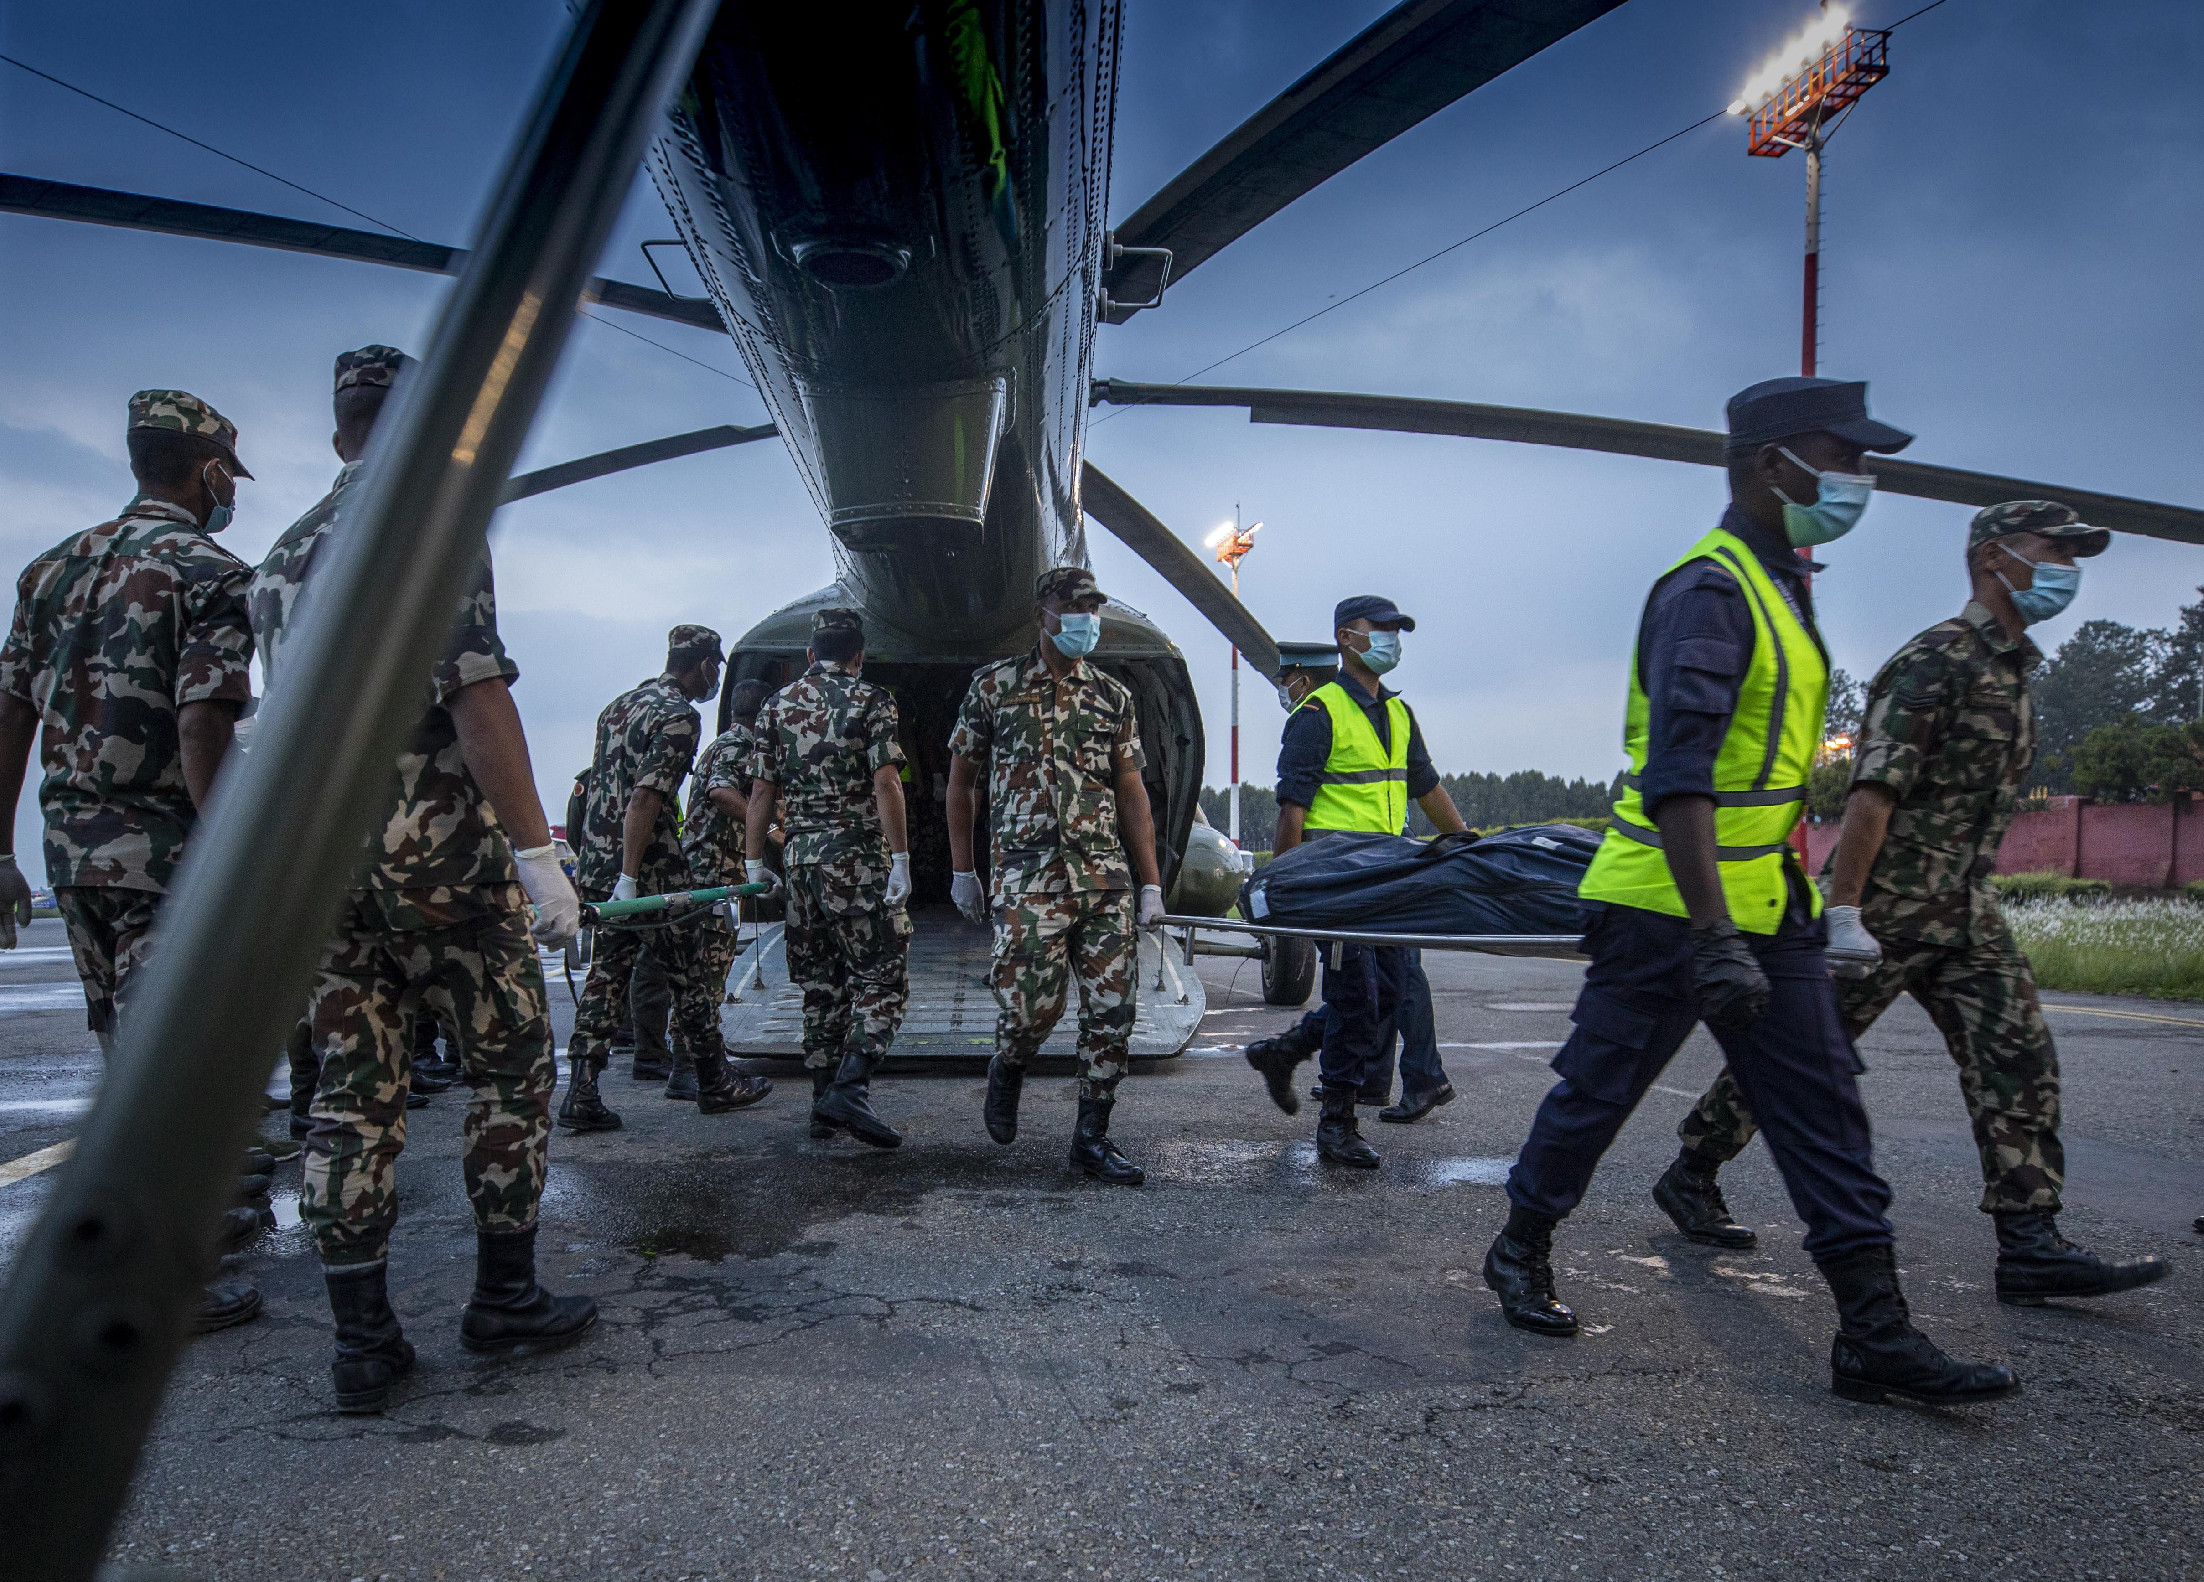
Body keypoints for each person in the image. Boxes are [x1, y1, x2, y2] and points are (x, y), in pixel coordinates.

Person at [1484, 375, 2018, 1409]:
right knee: (1598, 1092)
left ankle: (1872, 1330)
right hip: (1662, 908)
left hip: (1764, 908)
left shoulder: (1779, 579)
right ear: (1773, 463)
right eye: (1844, 456)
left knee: (1821, 1107)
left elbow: (1758, 783)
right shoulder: (1709, 589)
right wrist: (1711, 933)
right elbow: (1677, 772)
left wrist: (1782, 910)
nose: (1859, 479)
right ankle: (1519, 1243)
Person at [1661, 500, 2170, 1305]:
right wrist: (1847, 913)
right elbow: (1873, 792)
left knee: (2019, 1061)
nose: (2066, 569)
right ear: (1994, 557)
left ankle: (2029, 1239)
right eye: (2053, 550)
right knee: (1801, 1065)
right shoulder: (1937, 659)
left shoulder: (2015, 668)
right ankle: (1692, 1169)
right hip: (1888, 911)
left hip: (1965, 912)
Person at [252, 345, 593, 1412]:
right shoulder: (431, 520)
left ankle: (363, 1344)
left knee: (350, 1105)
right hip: (440, 864)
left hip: (326, 872)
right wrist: (537, 855)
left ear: (339, 427)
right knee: (509, 1069)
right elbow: (476, 697)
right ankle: (504, 1299)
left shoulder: (281, 552)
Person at [0, 388, 263, 1332]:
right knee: (179, 1057)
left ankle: (171, 1227)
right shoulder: (210, 571)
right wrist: (238, 851)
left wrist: (3, 848)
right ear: (209, 470)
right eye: (228, 474)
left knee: (126, 1050)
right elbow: (203, 724)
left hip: (73, 852)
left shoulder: (49, 570)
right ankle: (149, 1285)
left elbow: (13, 715)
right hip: (167, 853)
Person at [946, 567, 1166, 1185]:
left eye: (1093, 608)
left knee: (1112, 1010)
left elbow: (1131, 792)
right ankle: (1009, 1065)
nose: (1085, 619)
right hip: (1030, 875)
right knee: (1031, 1009)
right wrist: (963, 869)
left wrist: (1148, 882)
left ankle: (1091, 1138)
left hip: (1104, 878)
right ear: (1042, 610)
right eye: (1073, 606)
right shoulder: (994, 687)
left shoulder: (1112, 697)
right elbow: (961, 785)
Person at [1243, 598, 1467, 1168]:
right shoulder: (1319, 713)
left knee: (1388, 995)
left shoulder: (1398, 714)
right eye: (1382, 630)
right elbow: (1291, 809)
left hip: (1389, 881)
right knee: (1358, 998)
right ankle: (1336, 1122)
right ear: (1347, 638)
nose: (1392, 639)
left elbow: (1426, 786)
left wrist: (1467, 842)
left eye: (1398, 631)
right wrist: (1283, 887)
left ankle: (1285, 1050)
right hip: (1336, 883)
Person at [562, 625, 770, 1130]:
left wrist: (606, 871)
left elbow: (597, 789)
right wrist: (631, 878)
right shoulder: (678, 717)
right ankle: (713, 1081)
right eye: (715, 668)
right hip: (648, 872)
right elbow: (645, 799)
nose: (715, 678)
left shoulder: (618, 706)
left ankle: (581, 1092)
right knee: (692, 974)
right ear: (702, 665)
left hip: (600, 864)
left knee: (607, 975)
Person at [744, 612, 911, 1146]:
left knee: (819, 988)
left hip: (798, 864)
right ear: (859, 657)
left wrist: (753, 863)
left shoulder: (776, 705)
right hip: (855, 859)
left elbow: (761, 793)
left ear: (811, 656)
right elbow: (887, 782)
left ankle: (823, 1105)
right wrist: (902, 858)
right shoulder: (871, 700)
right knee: (882, 978)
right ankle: (850, 1090)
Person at [662, 677, 771, 1100]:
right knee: (705, 972)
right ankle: (688, 1064)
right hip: (711, 877)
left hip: (715, 874)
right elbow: (721, 791)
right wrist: (770, 830)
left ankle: (703, 1056)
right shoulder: (739, 747)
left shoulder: (724, 743)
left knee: (708, 970)